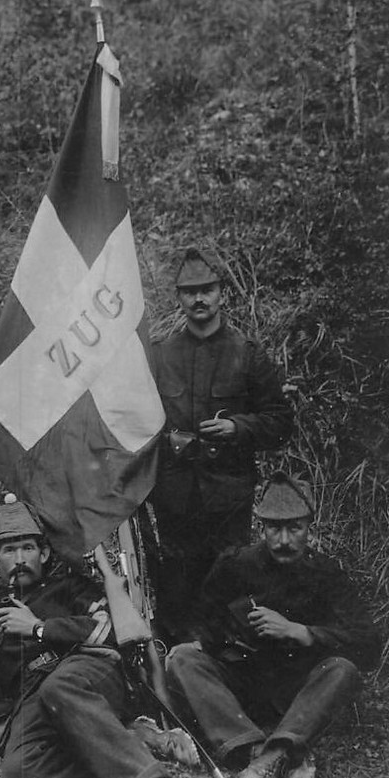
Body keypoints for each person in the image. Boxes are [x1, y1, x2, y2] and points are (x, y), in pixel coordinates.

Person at [0, 495, 214, 778]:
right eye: (9, 551)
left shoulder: (69, 587)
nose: (20, 559)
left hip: (88, 672)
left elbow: (109, 630)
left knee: (60, 685)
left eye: (28, 548)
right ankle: (131, 740)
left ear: (45, 553)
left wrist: (39, 628)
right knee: (19, 772)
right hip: (36, 695)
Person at [165, 471, 379, 778]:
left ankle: (263, 763)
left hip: (299, 691)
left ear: (310, 526)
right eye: (273, 528)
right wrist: (226, 635)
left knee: (343, 670)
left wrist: (304, 632)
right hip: (243, 687)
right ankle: (270, 754)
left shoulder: (327, 574)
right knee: (183, 659)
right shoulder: (235, 565)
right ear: (260, 527)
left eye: (294, 528)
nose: (283, 540)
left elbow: (369, 643)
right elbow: (200, 623)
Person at [148, 245, 294, 646]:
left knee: (228, 586)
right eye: (189, 291)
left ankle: (225, 667)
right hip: (175, 499)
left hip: (227, 498)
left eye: (207, 289)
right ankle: (176, 675)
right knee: (176, 590)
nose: (199, 298)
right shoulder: (160, 357)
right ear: (178, 297)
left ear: (222, 294)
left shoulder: (247, 355)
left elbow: (280, 423)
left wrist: (237, 427)